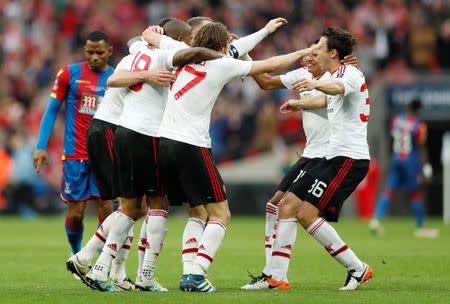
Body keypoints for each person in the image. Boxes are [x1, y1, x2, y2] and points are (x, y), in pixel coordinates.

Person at [157, 21, 313, 292]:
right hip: (192, 145)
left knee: (196, 211)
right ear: (220, 46)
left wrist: (265, 31)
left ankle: (187, 272)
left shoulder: (180, 54)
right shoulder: (221, 65)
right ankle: (197, 272)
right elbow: (270, 64)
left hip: (163, 142)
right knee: (221, 213)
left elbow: (238, 47)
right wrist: (301, 52)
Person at [84, 20, 225, 292]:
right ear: (179, 38)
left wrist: (148, 41)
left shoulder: (138, 50)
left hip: (124, 132)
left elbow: (129, 48)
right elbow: (114, 79)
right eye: (189, 38)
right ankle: (145, 276)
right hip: (147, 135)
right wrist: (220, 53)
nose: (191, 43)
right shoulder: (169, 56)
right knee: (158, 205)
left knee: (131, 208)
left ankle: (99, 267)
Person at [240, 45, 358, 290]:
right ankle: (270, 272)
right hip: (309, 153)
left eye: (316, 52)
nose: (310, 56)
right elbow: (265, 82)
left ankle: (278, 276)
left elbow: (333, 95)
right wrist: (244, 56)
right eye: (309, 52)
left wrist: (301, 103)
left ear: (329, 55)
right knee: (274, 205)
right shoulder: (302, 73)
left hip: (327, 155)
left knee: (291, 209)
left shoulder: (338, 76)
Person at [265, 27, 372, 291]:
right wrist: (300, 104)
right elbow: (328, 99)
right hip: (331, 156)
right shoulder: (339, 74)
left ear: (333, 53)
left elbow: (335, 88)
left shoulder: (348, 74)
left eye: (319, 48)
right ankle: (276, 278)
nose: (315, 52)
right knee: (287, 204)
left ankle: (357, 268)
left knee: (307, 214)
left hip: (350, 159)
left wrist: (312, 84)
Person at [66, 37, 175, 291]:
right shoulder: (145, 61)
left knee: (132, 208)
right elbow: (113, 80)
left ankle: (106, 268)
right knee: (129, 206)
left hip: (110, 130)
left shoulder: (140, 56)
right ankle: (94, 263)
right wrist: (147, 75)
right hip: (112, 129)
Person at [33, 31, 114, 256]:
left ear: (109, 51)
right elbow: (50, 111)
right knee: (76, 214)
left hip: (104, 155)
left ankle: (100, 260)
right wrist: (41, 146)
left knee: (107, 211)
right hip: (74, 155)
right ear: (84, 51)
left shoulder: (117, 78)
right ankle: (76, 252)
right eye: (90, 52)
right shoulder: (69, 73)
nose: (95, 57)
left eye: (99, 52)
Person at [369, 98, 438, 238]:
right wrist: (426, 167)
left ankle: (376, 220)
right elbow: (421, 147)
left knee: (389, 190)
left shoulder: (397, 120)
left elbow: (392, 139)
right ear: (418, 110)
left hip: (396, 158)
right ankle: (420, 227)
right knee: (415, 193)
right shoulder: (419, 125)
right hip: (409, 160)